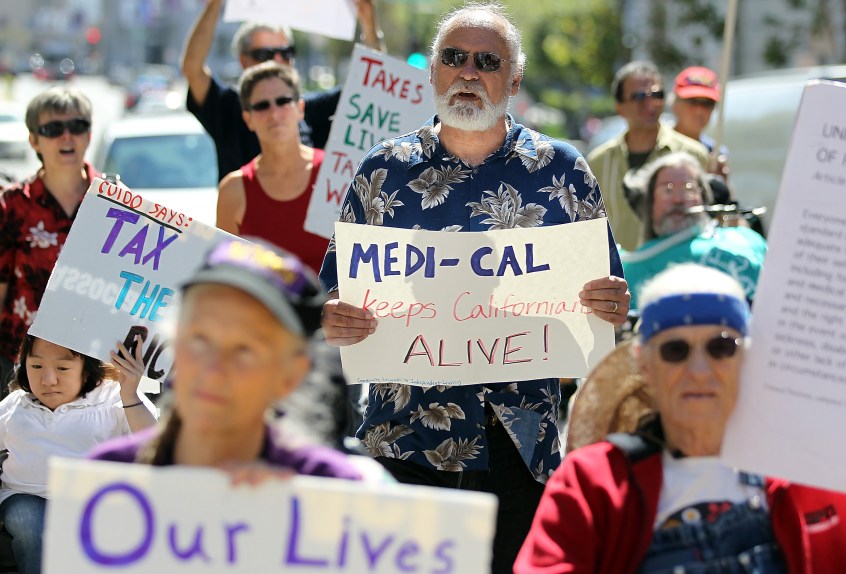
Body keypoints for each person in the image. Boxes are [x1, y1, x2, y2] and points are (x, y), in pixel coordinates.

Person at [318, 5, 630, 572]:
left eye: (486, 61)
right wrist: (334, 318)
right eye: (453, 58)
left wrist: (610, 307)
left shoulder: (562, 171)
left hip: (520, 445)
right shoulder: (381, 171)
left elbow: (606, 306)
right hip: (404, 439)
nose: (467, 72)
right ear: (433, 72)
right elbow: (332, 297)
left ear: (513, 81)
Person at [515, 264, 846, 573]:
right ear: (645, 367)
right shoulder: (593, 483)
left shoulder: (811, 470)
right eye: (676, 350)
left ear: (746, 361)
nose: (699, 370)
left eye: (721, 347)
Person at [90, 237, 375, 483]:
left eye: (245, 351)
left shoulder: (337, 490)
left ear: (291, 375)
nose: (213, 370)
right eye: (200, 339)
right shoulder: (107, 476)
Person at [0, 335, 156, 574]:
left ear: (87, 369)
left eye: (62, 368)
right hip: (25, 495)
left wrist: (131, 395)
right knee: (29, 525)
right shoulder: (17, 404)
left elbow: (155, 444)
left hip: (96, 498)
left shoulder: (114, 396)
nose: (48, 380)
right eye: (36, 366)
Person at [181, 0, 385, 181]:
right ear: (248, 116)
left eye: (285, 53)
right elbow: (193, 69)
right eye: (265, 54)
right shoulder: (229, 108)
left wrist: (369, 23)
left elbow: (372, 87)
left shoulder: (313, 109)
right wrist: (214, 4)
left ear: (300, 109)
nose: (277, 61)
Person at [0, 87, 98, 394]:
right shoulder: (12, 204)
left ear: (89, 135)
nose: (67, 136)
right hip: (22, 367)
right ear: (34, 139)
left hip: (94, 366)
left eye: (77, 126)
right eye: (54, 129)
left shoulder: (117, 203)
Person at [216, 61, 330, 272]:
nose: (274, 114)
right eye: (262, 105)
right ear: (247, 119)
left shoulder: (338, 172)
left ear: (300, 109)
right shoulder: (233, 190)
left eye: (283, 101)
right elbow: (227, 276)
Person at [587, 61, 708, 251]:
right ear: (620, 107)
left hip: (676, 269)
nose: (650, 104)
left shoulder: (693, 155)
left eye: (656, 95)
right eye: (639, 96)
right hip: (620, 274)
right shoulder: (599, 161)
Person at [621, 152, 766, 308]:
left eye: (688, 188)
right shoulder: (631, 266)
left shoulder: (746, 239)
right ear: (651, 203)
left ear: (702, 197)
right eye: (667, 189)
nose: (678, 199)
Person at [671, 65, 731, 184]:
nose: (700, 111)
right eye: (692, 101)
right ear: (675, 105)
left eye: (707, 103)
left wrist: (721, 183)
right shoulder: (657, 145)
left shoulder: (716, 152)